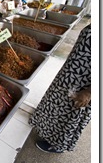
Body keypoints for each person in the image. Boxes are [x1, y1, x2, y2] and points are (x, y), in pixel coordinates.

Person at [29, 24, 91, 153]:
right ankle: (44, 128)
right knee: (56, 104)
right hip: (71, 74)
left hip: (84, 84)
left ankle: (57, 145)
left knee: (69, 113)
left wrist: (90, 92)